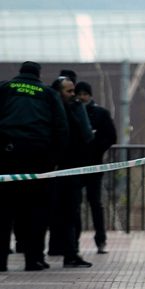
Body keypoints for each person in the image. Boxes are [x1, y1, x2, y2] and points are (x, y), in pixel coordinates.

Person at [0, 61, 69, 271]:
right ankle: (33, 259)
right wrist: (55, 158)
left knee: (3, 210)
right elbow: (62, 128)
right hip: (38, 157)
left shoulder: (3, 88)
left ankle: (0, 260)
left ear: (19, 73)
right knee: (35, 211)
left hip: (6, 154)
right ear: (38, 75)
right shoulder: (48, 93)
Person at [47, 76, 94, 268]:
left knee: (70, 216)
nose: (74, 95)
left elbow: (84, 135)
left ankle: (70, 252)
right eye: (69, 91)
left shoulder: (72, 108)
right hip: (60, 171)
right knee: (56, 214)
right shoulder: (55, 112)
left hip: (72, 171)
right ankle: (54, 252)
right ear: (58, 92)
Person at [75, 81, 117, 254]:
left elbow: (110, 136)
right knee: (74, 204)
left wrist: (94, 148)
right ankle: (73, 242)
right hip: (75, 166)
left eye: (85, 94)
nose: (83, 97)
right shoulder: (72, 112)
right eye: (80, 94)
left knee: (95, 203)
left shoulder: (100, 114)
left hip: (93, 165)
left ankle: (100, 239)